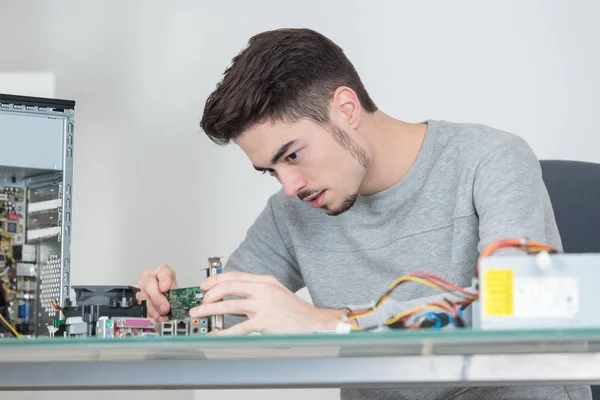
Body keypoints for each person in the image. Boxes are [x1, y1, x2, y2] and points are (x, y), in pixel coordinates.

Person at [135, 28, 591, 400]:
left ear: (346, 109)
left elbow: (522, 306)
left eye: (291, 155)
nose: (288, 186)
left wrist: (329, 321)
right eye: (269, 171)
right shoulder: (292, 211)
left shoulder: (490, 159)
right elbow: (228, 316)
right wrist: (169, 306)